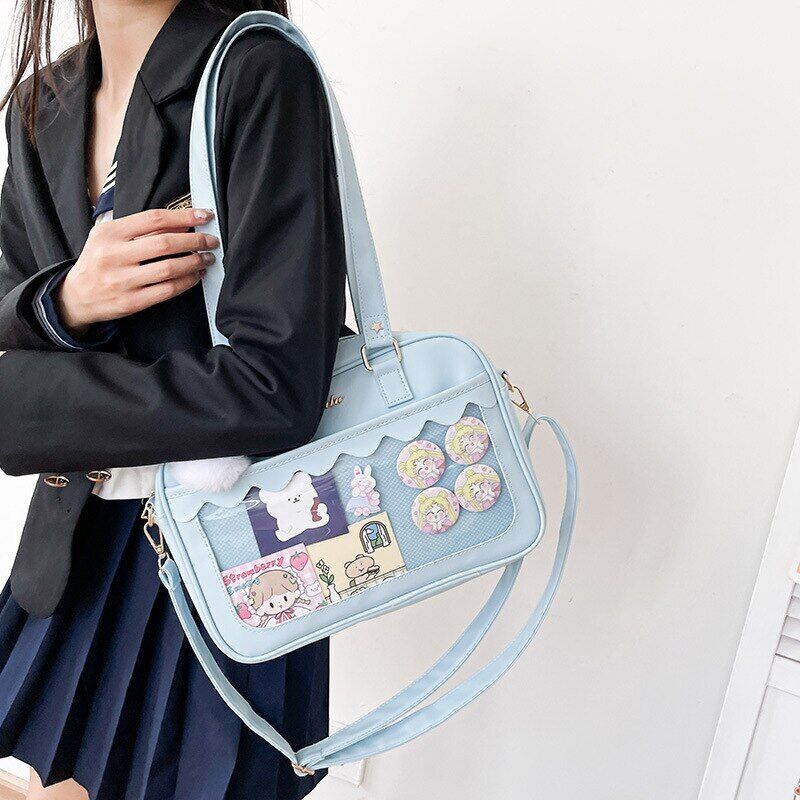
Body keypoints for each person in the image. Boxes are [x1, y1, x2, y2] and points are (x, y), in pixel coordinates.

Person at [0, 0, 347, 797]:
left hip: (233, 556)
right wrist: (66, 301)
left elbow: (276, 386)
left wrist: (21, 403)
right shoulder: (41, 104)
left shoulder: (257, 69)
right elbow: (9, 302)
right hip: (77, 548)